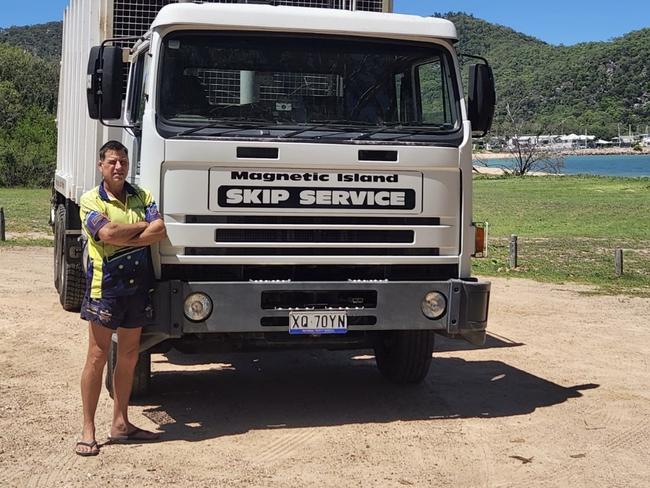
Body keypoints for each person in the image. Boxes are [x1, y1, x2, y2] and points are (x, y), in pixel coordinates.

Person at [74, 140, 167, 456]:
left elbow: (160, 230)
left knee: (128, 357)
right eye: (112, 162)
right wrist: (140, 229)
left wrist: (125, 229)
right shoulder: (90, 199)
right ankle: (88, 430)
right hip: (105, 289)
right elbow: (107, 234)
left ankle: (121, 424)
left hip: (137, 289)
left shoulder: (142, 196)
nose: (118, 167)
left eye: (123, 162)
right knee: (97, 357)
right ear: (101, 165)